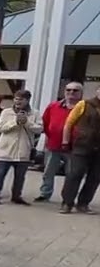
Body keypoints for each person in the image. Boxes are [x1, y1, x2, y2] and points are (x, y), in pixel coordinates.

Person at [0, 89, 41, 206]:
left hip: (23, 150)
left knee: (20, 176)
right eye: (16, 99)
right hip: (5, 149)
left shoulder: (35, 113)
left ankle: (16, 196)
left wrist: (27, 122)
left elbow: (39, 129)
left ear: (27, 100)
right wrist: (15, 122)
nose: (18, 101)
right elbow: (1, 128)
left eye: (21, 99)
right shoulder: (6, 112)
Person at [37, 82, 83, 202]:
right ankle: (45, 194)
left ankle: (67, 198)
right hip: (54, 145)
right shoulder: (53, 106)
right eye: (68, 90)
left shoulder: (84, 108)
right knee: (48, 172)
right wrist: (51, 135)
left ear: (80, 93)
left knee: (72, 174)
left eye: (75, 90)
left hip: (74, 148)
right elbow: (45, 122)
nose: (71, 92)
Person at [60, 86, 100, 214]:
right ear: (97, 91)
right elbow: (69, 123)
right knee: (75, 174)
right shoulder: (84, 104)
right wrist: (65, 142)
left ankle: (83, 204)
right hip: (82, 145)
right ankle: (67, 203)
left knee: (95, 177)